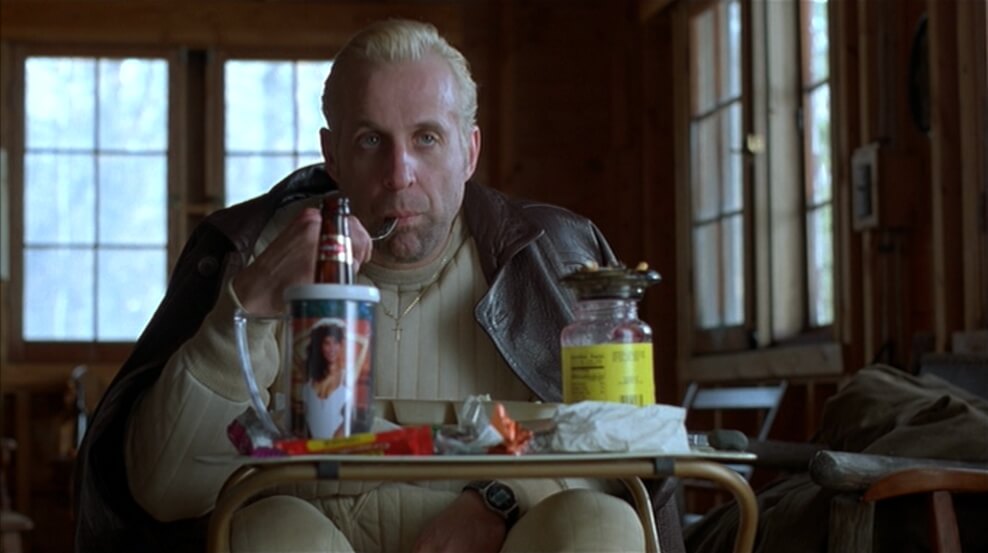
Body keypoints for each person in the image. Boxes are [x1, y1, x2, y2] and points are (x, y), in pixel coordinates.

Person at [73, 19, 682, 553]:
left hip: (507, 539)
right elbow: (164, 491)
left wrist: (500, 498)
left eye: (426, 138)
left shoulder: (551, 255)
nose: (398, 174)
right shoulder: (254, 251)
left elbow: (617, 461)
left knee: (600, 522)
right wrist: (250, 302)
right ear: (332, 155)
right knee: (265, 527)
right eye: (371, 141)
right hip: (308, 532)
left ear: (469, 151)